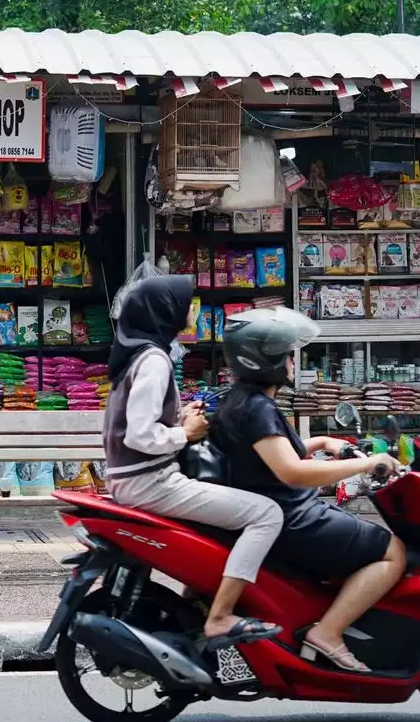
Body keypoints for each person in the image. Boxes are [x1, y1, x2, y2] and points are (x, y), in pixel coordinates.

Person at [213, 307, 406, 673]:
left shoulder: (240, 400)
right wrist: (368, 464)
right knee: (393, 552)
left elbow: (268, 453)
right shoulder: (259, 408)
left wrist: (321, 441)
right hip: (293, 518)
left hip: (279, 512)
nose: (291, 361)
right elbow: (291, 471)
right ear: (264, 360)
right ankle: (328, 633)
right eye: (286, 354)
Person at [103, 274, 285, 649]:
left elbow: (142, 422)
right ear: (165, 310)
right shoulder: (154, 360)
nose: (192, 311)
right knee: (266, 514)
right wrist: (184, 434)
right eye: (186, 304)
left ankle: (196, 603)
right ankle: (220, 617)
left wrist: (180, 416)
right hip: (151, 482)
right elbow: (139, 435)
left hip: (131, 479)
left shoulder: (140, 352)